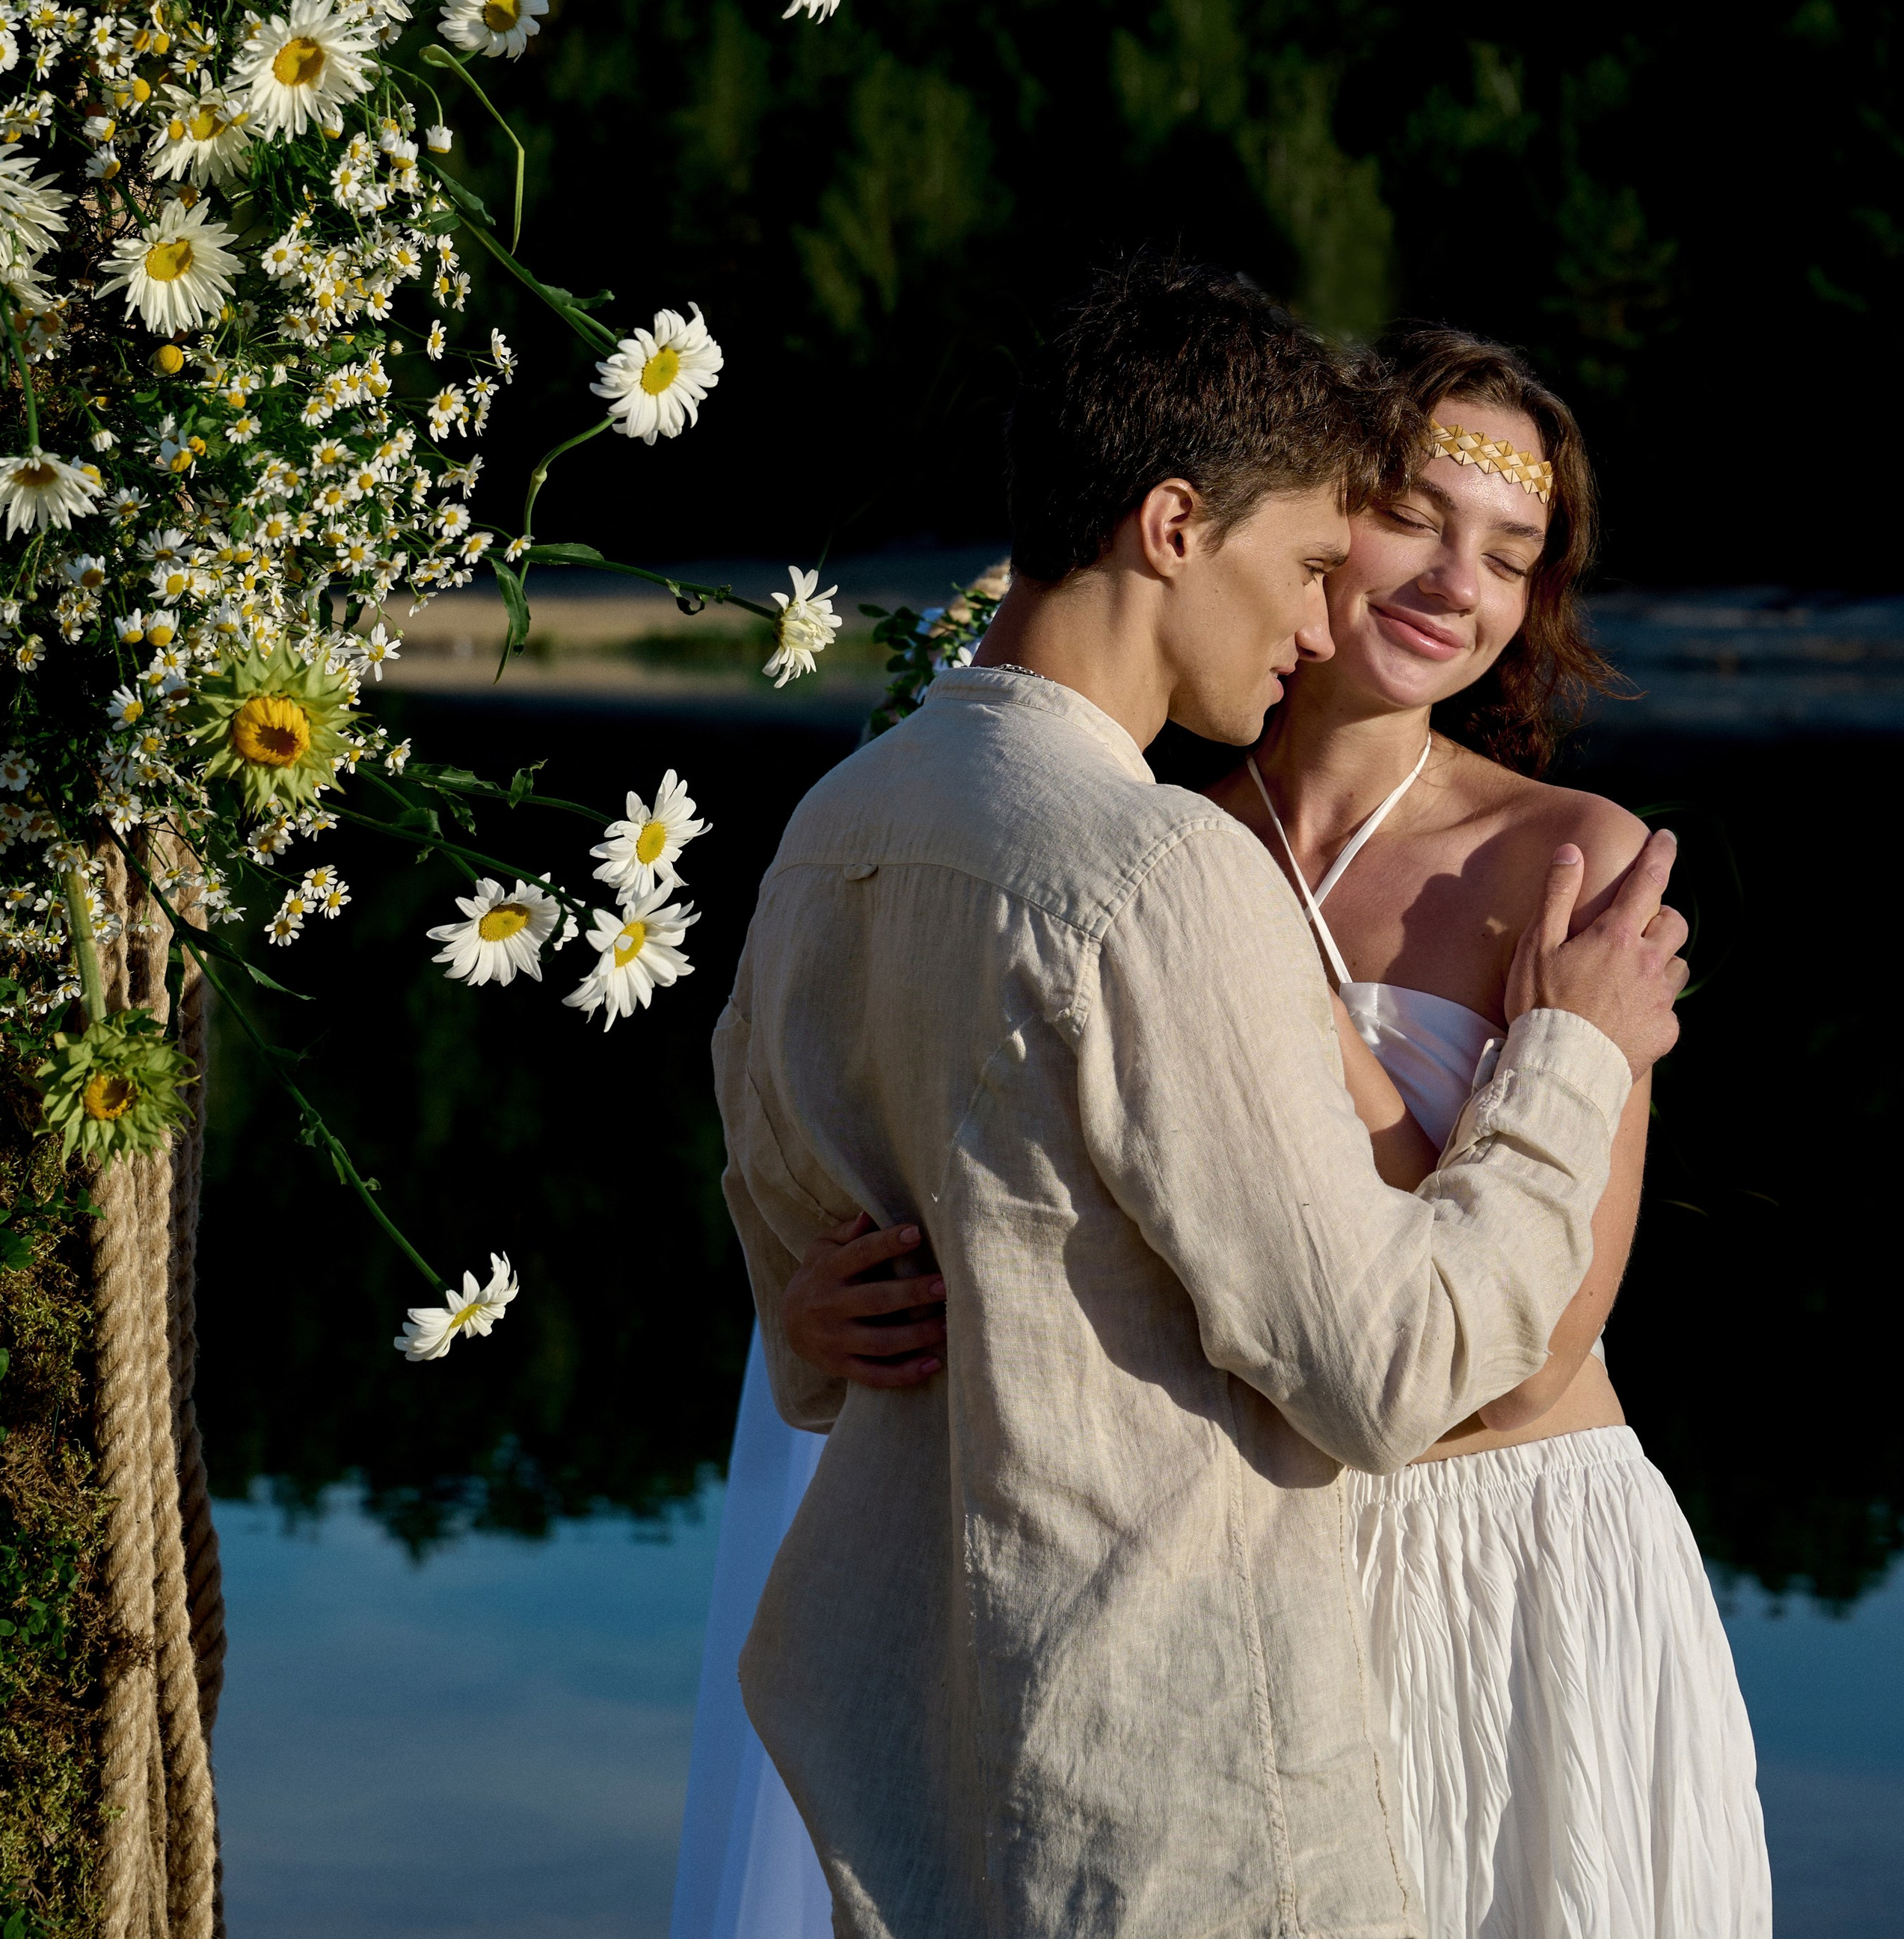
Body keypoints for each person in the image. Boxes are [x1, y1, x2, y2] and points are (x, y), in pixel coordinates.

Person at [710, 255, 1686, 1939]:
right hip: (1176, 1717)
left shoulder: (834, 829)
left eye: (1512, 555)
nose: (1331, 612)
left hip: (1029, 1705)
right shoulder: (1159, 865)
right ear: (1176, 525)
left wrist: (809, 1316)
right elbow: (1378, 1367)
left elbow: (820, 1240)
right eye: (1332, 550)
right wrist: (1575, 1056)